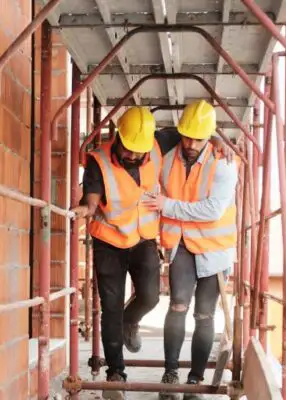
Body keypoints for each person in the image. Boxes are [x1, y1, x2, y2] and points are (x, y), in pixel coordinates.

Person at [72, 105, 233, 400]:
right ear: (118, 137)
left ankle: (130, 321)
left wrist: (219, 140)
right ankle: (116, 375)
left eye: (139, 151)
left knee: (151, 297)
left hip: (145, 239)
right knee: (110, 309)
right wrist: (86, 207)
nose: (134, 156)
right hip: (109, 241)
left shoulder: (159, 142)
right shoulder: (99, 160)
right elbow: (92, 198)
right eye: (129, 149)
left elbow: (196, 135)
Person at [140, 100, 239, 400]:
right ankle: (171, 375)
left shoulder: (223, 163)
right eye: (187, 137)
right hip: (181, 243)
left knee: (204, 315)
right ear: (180, 132)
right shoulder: (168, 151)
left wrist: (167, 206)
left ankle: (194, 382)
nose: (192, 143)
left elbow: (212, 210)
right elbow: (144, 139)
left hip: (214, 249)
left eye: (199, 138)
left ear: (210, 135)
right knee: (178, 306)